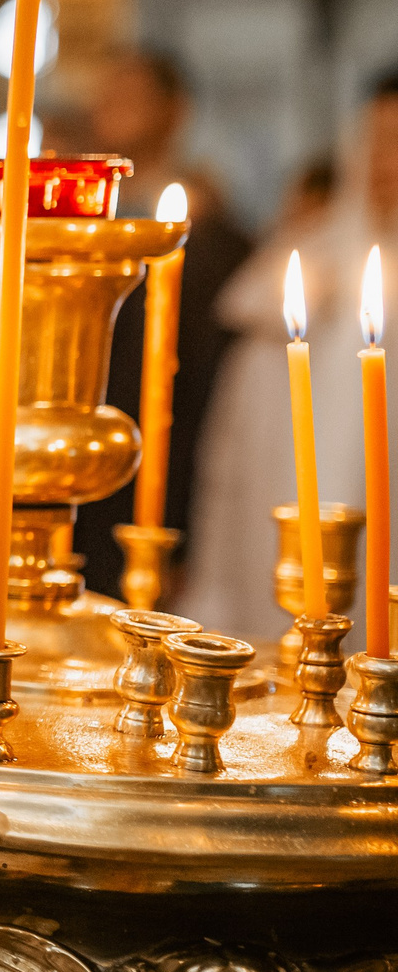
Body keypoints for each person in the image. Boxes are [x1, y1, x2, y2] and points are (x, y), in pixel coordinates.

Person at [181, 73, 398, 645]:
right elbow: (233, 445)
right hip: (281, 538)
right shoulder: (306, 264)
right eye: (379, 140)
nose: (387, 163)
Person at [71, 50, 251, 597]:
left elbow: (207, 391)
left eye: (132, 99)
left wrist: (187, 532)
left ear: (175, 112)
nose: (113, 112)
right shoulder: (75, 230)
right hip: (79, 474)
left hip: (159, 481)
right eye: (107, 99)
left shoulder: (212, 239)